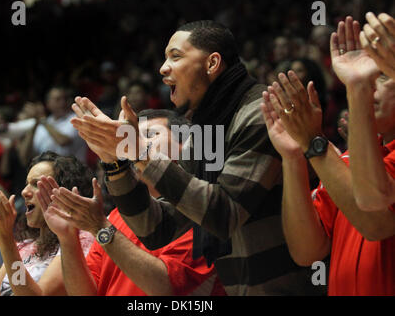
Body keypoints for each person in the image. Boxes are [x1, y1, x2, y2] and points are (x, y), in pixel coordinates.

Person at [70, 20, 322, 295]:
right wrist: (114, 161)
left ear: (212, 63)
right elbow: (156, 229)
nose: (163, 68)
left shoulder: (260, 113)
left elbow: (225, 214)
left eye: (175, 56)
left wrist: (139, 151)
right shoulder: (205, 129)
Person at [260, 16, 394, 295]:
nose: (370, 85)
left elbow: (376, 224)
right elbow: (307, 251)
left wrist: (313, 143)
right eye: (364, 78)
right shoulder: (346, 161)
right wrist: (294, 157)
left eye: (380, 75)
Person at [36, 109, 226, 296]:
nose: (133, 145)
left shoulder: (202, 209)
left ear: (186, 148)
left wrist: (100, 227)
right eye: (131, 139)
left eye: (149, 135)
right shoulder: (119, 216)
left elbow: (165, 288)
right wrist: (68, 238)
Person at [0, 151, 94, 295]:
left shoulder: (80, 240)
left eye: (36, 184)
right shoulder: (24, 246)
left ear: (64, 192)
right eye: (27, 184)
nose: (25, 191)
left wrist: (6, 238)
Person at [349, 12, 395, 212]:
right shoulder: (351, 156)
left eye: (384, 76)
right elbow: (306, 245)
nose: (372, 86)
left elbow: (373, 199)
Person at [23, 87, 87, 164]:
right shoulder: (42, 125)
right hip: (48, 172)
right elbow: (26, 157)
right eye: (58, 99)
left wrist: (42, 120)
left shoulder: (76, 118)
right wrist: (33, 125)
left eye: (65, 99)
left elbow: (63, 141)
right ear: (48, 104)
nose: (62, 103)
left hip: (73, 172)